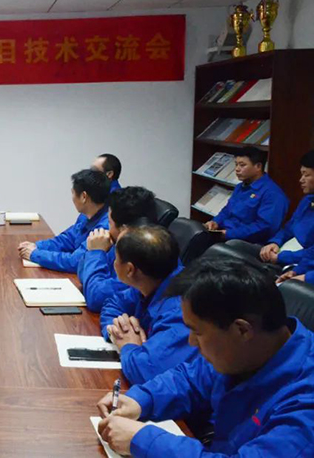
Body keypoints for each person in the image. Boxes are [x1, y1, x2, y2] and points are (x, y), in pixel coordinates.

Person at [95, 257, 314, 457]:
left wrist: (144, 441)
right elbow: (192, 379)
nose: (191, 342)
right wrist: (141, 400)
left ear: (242, 330)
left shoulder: (305, 403)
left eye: (197, 332)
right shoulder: (244, 352)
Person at [99, 225, 197, 385]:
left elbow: (146, 372)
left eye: (115, 259)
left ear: (130, 270)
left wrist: (128, 345)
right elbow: (113, 304)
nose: (114, 263)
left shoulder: (182, 310)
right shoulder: (149, 280)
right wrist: (117, 331)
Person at [227, 150, 314, 269]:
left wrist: (281, 257)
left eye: (306, 175)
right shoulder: (307, 200)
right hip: (280, 252)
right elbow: (289, 228)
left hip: (297, 263)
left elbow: (311, 253)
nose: (301, 180)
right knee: (230, 247)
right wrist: (275, 242)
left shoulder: (273, 193)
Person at [79, 186, 156, 312]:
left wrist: (95, 252)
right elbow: (83, 275)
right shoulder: (117, 244)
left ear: (124, 230)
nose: (108, 229)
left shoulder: (142, 258)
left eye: (109, 223)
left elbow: (96, 298)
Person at [18, 169, 109, 272]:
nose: (72, 198)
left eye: (73, 193)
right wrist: (37, 246)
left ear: (84, 197)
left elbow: (76, 262)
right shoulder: (86, 216)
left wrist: (35, 254)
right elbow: (67, 239)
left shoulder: (104, 228)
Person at [203, 147, 288, 244]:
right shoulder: (240, 187)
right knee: (194, 233)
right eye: (236, 164)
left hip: (246, 242)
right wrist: (215, 222)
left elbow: (264, 227)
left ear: (258, 166)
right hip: (225, 234)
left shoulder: (273, 194)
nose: (237, 169)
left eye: (242, 165)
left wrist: (229, 234)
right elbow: (227, 210)